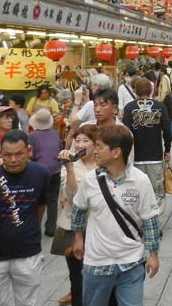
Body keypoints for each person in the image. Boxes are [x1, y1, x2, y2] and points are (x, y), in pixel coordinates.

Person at [72, 125, 160, 305]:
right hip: (97, 263)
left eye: (99, 147)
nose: (94, 151)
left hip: (132, 262)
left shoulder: (140, 180)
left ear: (116, 152)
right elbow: (78, 209)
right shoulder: (90, 180)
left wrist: (152, 254)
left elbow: (150, 219)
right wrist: (78, 238)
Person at [0, 129, 50, 306]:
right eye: (7, 155)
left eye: (19, 154)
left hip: (28, 251)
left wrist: (33, 230)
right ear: (0, 154)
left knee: (29, 301)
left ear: (29, 152)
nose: (13, 160)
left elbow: (41, 205)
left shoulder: (41, 174)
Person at [53, 124, 98, 306]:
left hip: (98, 226)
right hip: (73, 227)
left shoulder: (103, 163)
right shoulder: (69, 166)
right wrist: (70, 169)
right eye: (77, 140)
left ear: (96, 144)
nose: (80, 145)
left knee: (98, 277)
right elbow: (73, 196)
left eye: (85, 140)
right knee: (76, 277)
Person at [122, 78, 172, 229]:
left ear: (135, 91)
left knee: (136, 190)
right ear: (151, 91)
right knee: (157, 190)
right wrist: (168, 149)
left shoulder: (129, 108)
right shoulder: (159, 106)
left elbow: (125, 132)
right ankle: (154, 221)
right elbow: (167, 130)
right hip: (155, 155)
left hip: (135, 157)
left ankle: (139, 221)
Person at [29, 108, 63, 237]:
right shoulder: (55, 134)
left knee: (37, 199)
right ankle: (51, 228)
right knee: (52, 200)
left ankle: (35, 227)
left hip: (40, 171)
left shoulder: (32, 136)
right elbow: (59, 149)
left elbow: (31, 155)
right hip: (55, 169)